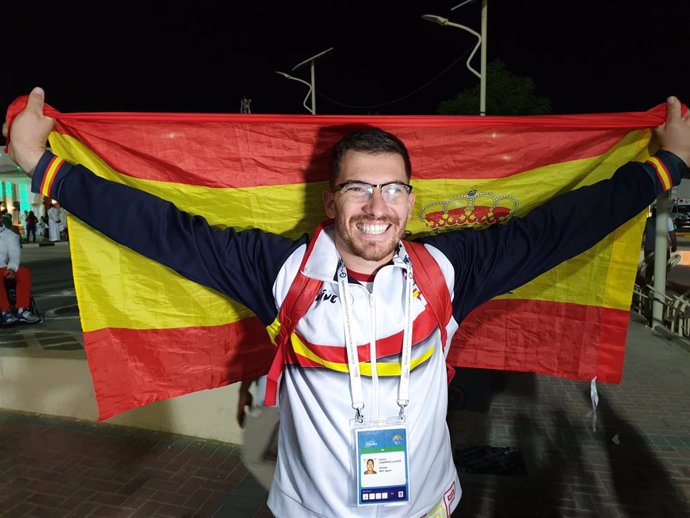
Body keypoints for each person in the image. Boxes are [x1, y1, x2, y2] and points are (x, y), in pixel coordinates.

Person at [4, 88, 690, 517]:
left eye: (393, 190)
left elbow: (565, 225)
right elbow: (160, 228)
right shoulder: (278, 271)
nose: (376, 207)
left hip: (427, 506)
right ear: (331, 200)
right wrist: (44, 166)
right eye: (359, 190)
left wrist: (668, 165)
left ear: (412, 202)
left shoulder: (451, 267)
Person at [0, 218, 40, 324]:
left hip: (4, 268)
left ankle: (22, 310)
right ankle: (5, 311)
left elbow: (14, 254)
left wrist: (12, 268)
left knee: (24, 272)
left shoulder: (10, 235)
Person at [643, 205, 678, 284]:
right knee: (663, 269)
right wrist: (674, 245)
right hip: (663, 249)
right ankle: (660, 286)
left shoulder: (647, 221)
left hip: (649, 248)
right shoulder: (667, 220)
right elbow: (671, 233)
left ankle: (647, 286)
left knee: (650, 269)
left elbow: (642, 234)